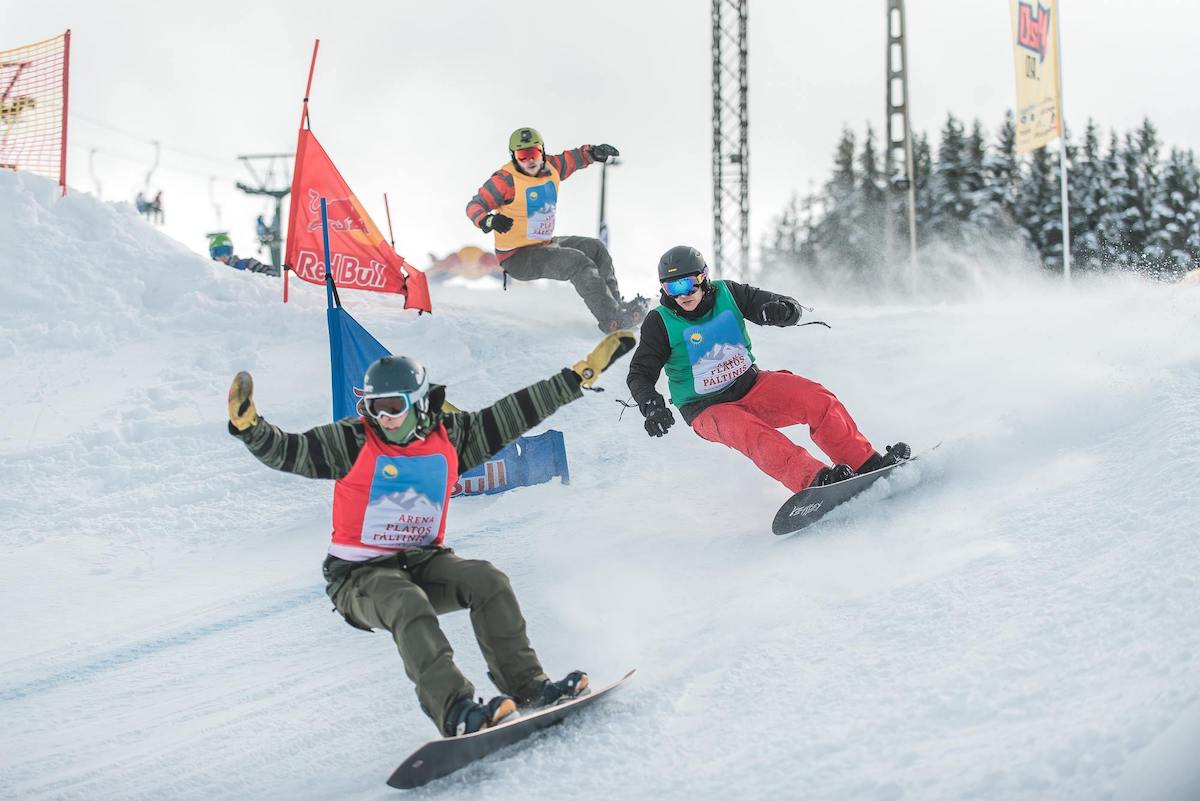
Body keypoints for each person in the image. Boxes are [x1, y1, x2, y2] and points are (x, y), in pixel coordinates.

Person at [226, 330, 635, 736]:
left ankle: (528, 688)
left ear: (420, 403)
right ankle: (456, 710)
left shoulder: (454, 437)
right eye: (374, 408)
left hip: (422, 561)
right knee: (407, 602)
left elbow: (518, 411)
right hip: (357, 577)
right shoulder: (353, 440)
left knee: (488, 581)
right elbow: (290, 451)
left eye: (392, 407)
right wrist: (252, 429)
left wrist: (576, 375)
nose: (382, 418)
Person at [625, 245, 910, 493]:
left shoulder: (729, 293)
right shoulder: (660, 321)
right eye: (672, 288)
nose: (683, 294)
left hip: (751, 386)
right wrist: (651, 405)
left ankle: (866, 463)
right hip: (705, 409)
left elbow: (787, 305)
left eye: (688, 284)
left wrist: (781, 312)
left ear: (703, 277)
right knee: (753, 433)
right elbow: (640, 372)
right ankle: (817, 481)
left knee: (817, 399)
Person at [465, 126, 648, 333]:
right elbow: (474, 206)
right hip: (517, 257)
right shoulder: (505, 181)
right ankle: (611, 320)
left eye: (533, 153)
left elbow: (573, 158)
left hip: (544, 244)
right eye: (522, 156)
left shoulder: (552, 166)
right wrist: (488, 221)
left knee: (596, 248)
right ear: (514, 157)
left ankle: (616, 306)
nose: (530, 161)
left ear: (542, 151)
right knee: (578, 262)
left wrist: (593, 152)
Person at [208, 232, 281, 277]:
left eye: (226, 251)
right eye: (219, 252)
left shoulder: (247, 264)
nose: (223, 255)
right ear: (212, 254)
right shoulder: (210, 273)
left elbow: (272, 274)